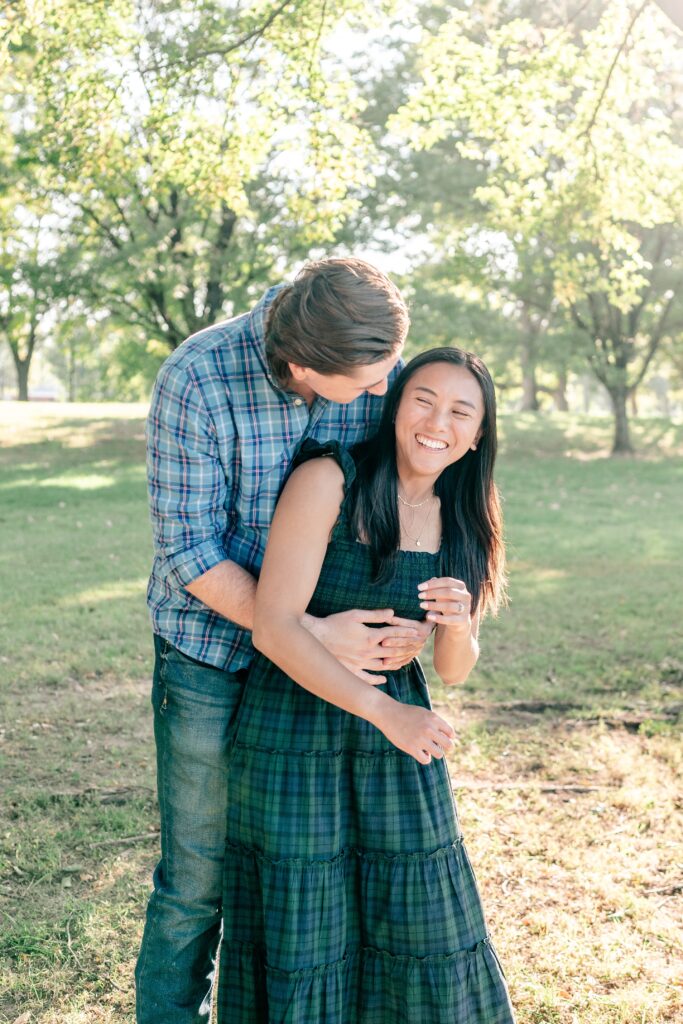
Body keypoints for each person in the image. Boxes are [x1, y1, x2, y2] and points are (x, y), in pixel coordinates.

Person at [136, 258, 434, 1024]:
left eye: (388, 370)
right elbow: (191, 551)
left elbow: (404, 482)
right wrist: (300, 630)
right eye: (368, 383)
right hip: (212, 655)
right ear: (302, 366)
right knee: (198, 876)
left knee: (311, 866)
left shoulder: (365, 355)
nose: (383, 392)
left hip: (323, 663)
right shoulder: (196, 380)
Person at [217, 347, 514, 1023]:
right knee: (305, 927)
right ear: (393, 405)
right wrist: (387, 713)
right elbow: (273, 627)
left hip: (395, 735)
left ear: (475, 437)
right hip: (293, 724)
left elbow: (452, 669)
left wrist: (458, 625)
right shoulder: (329, 478)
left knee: (422, 918)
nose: (436, 421)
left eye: (459, 412)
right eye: (423, 399)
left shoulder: (464, 518)